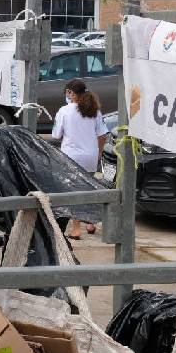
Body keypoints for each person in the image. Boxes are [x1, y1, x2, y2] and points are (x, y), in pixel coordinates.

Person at [51, 78, 108, 240]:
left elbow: (56, 135)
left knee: (74, 191)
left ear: (71, 93)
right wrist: (98, 153)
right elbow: (102, 135)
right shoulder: (94, 110)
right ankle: (91, 223)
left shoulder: (65, 111)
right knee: (88, 188)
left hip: (71, 156)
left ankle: (76, 229)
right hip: (90, 155)